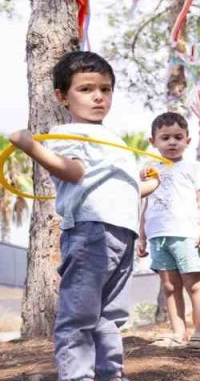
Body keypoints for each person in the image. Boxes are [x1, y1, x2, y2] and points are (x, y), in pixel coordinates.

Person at [8, 51, 160, 381]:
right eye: (86, 89)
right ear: (62, 96)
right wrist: (31, 147)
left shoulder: (114, 139)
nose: (98, 97)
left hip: (122, 233)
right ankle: (77, 376)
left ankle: (109, 374)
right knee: (79, 314)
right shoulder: (67, 132)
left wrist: (150, 184)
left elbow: (124, 189)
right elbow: (73, 172)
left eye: (105, 89)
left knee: (111, 315)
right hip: (91, 231)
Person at [137, 112, 200, 350]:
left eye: (178, 137)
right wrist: (141, 235)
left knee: (194, 284)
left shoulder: (193, 167)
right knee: (170, 287)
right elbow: (146, 204)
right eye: (165, 138)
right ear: (153, 141)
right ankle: (178, 333)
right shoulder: (150, 170)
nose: (172, 142)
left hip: (185, 234)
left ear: (187, 141)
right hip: (158, 236)